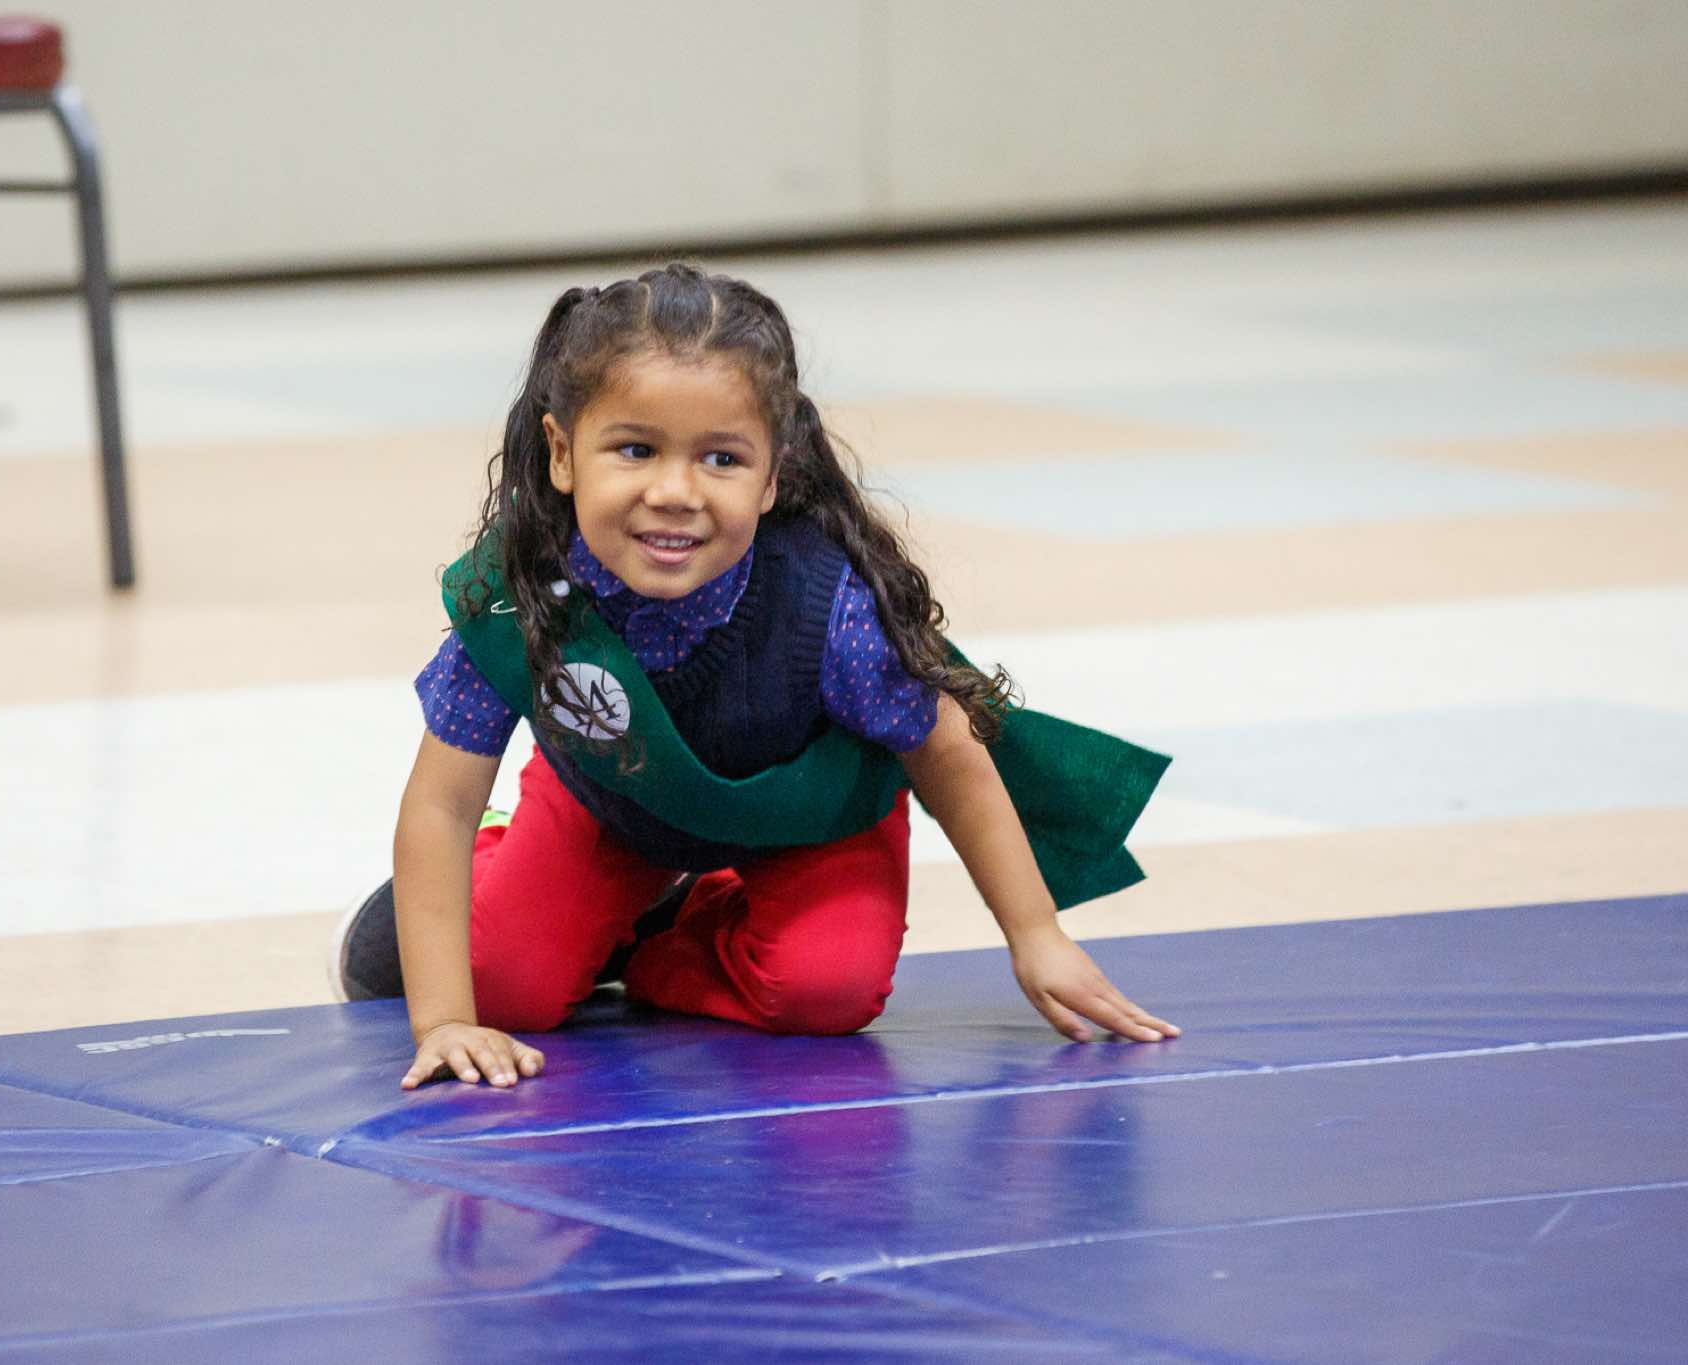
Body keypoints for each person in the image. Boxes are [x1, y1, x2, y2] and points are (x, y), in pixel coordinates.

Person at [332, 262, 1177, 1091]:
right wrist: (443, 1019)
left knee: (826, 991)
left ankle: (658, 932)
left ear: (774, 475)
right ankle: (500, 873)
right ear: (562, 453)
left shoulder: (826, 603)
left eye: (722, 459)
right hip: (614, 800)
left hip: (812, 821)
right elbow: (442, 803)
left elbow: (946, 749)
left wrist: (1035, 936)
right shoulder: (522, 595)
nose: (675, 491)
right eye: (635, 449)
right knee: (508, 992)